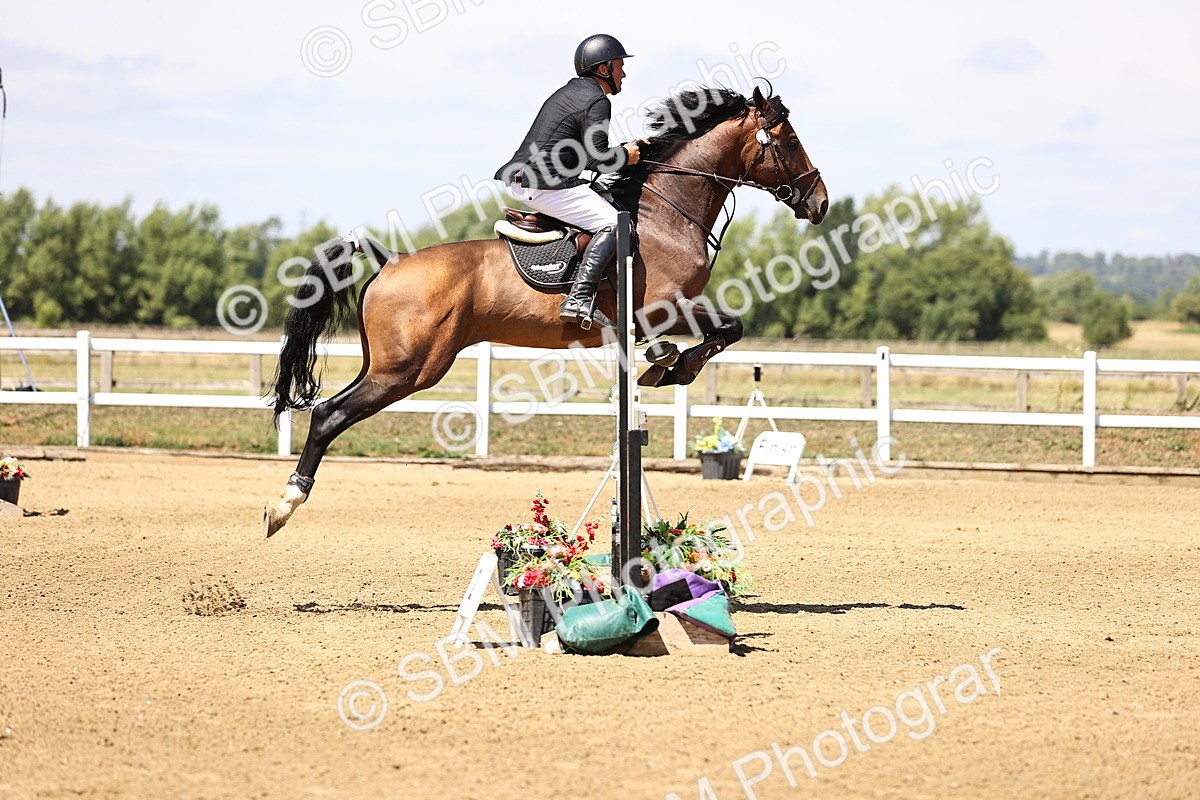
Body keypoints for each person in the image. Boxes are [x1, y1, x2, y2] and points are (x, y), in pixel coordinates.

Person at [494, 34, 640, 330]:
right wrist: (627, 155)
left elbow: (586, 157)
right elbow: (599, 159)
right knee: (619, 225)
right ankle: (579, 299)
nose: (624, 72)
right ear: (603, 69)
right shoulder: (596, 100)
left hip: (535, 179)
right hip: (544, 183)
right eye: (619, 65)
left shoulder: (574, 92)